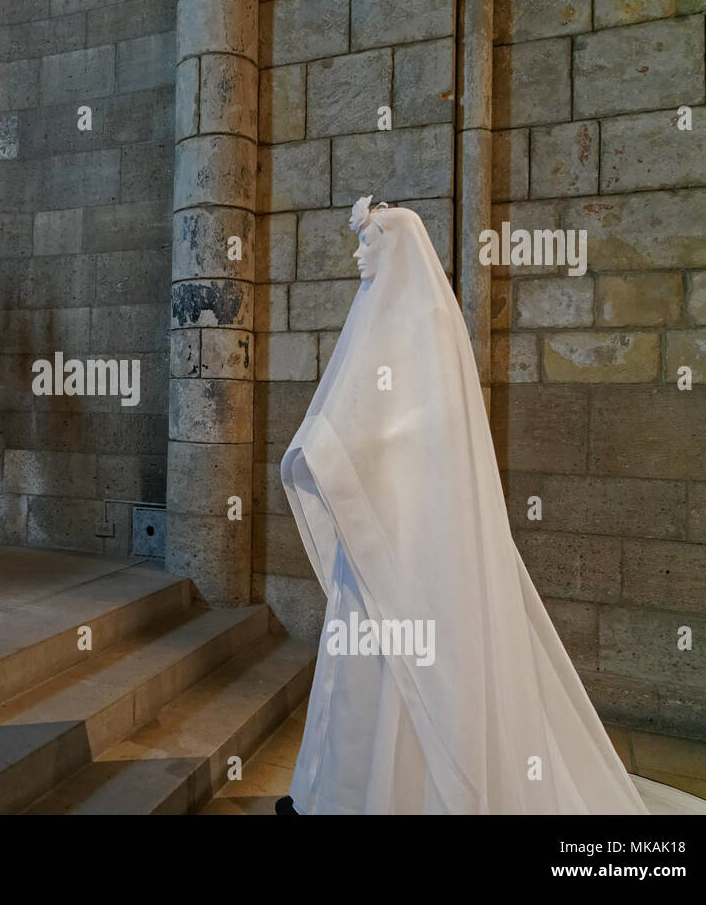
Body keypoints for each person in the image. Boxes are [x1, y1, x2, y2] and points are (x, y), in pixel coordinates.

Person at [276, 196, 647, 814]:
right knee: (360, 670)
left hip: (413, 537)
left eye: (368, 241)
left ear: (396, 246)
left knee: (403, 673)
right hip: (378, 532)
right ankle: (337, 795)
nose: (357, 252)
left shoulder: (424, 325)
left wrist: (344, 447)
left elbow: (421, 434)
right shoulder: (381, 320)